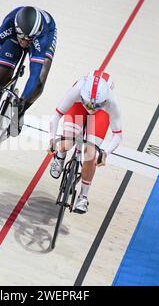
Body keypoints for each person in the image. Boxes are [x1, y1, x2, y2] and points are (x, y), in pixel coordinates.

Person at [0, 6, 57, 158]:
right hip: (14, 36)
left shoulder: (42, 36)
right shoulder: (9, 25)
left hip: (45, 35)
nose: (26, 43)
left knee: (39, 82)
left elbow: (33, 74)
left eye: (29, 40)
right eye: (23, 39)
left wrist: (23, 101)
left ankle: (20, 112)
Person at [48, 70, 122, 214]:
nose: (91, 108)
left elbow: (118, 135)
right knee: (67, 143)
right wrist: (51, 140)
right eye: (88, 104)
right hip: (77, 107)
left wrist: (105, 153)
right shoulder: (76, 91)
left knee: (91, 154)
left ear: (105, 100)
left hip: (102, 114)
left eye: (96, 105)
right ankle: (60, 156)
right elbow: (56, 116)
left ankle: (83, 197)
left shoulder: (112, 102)